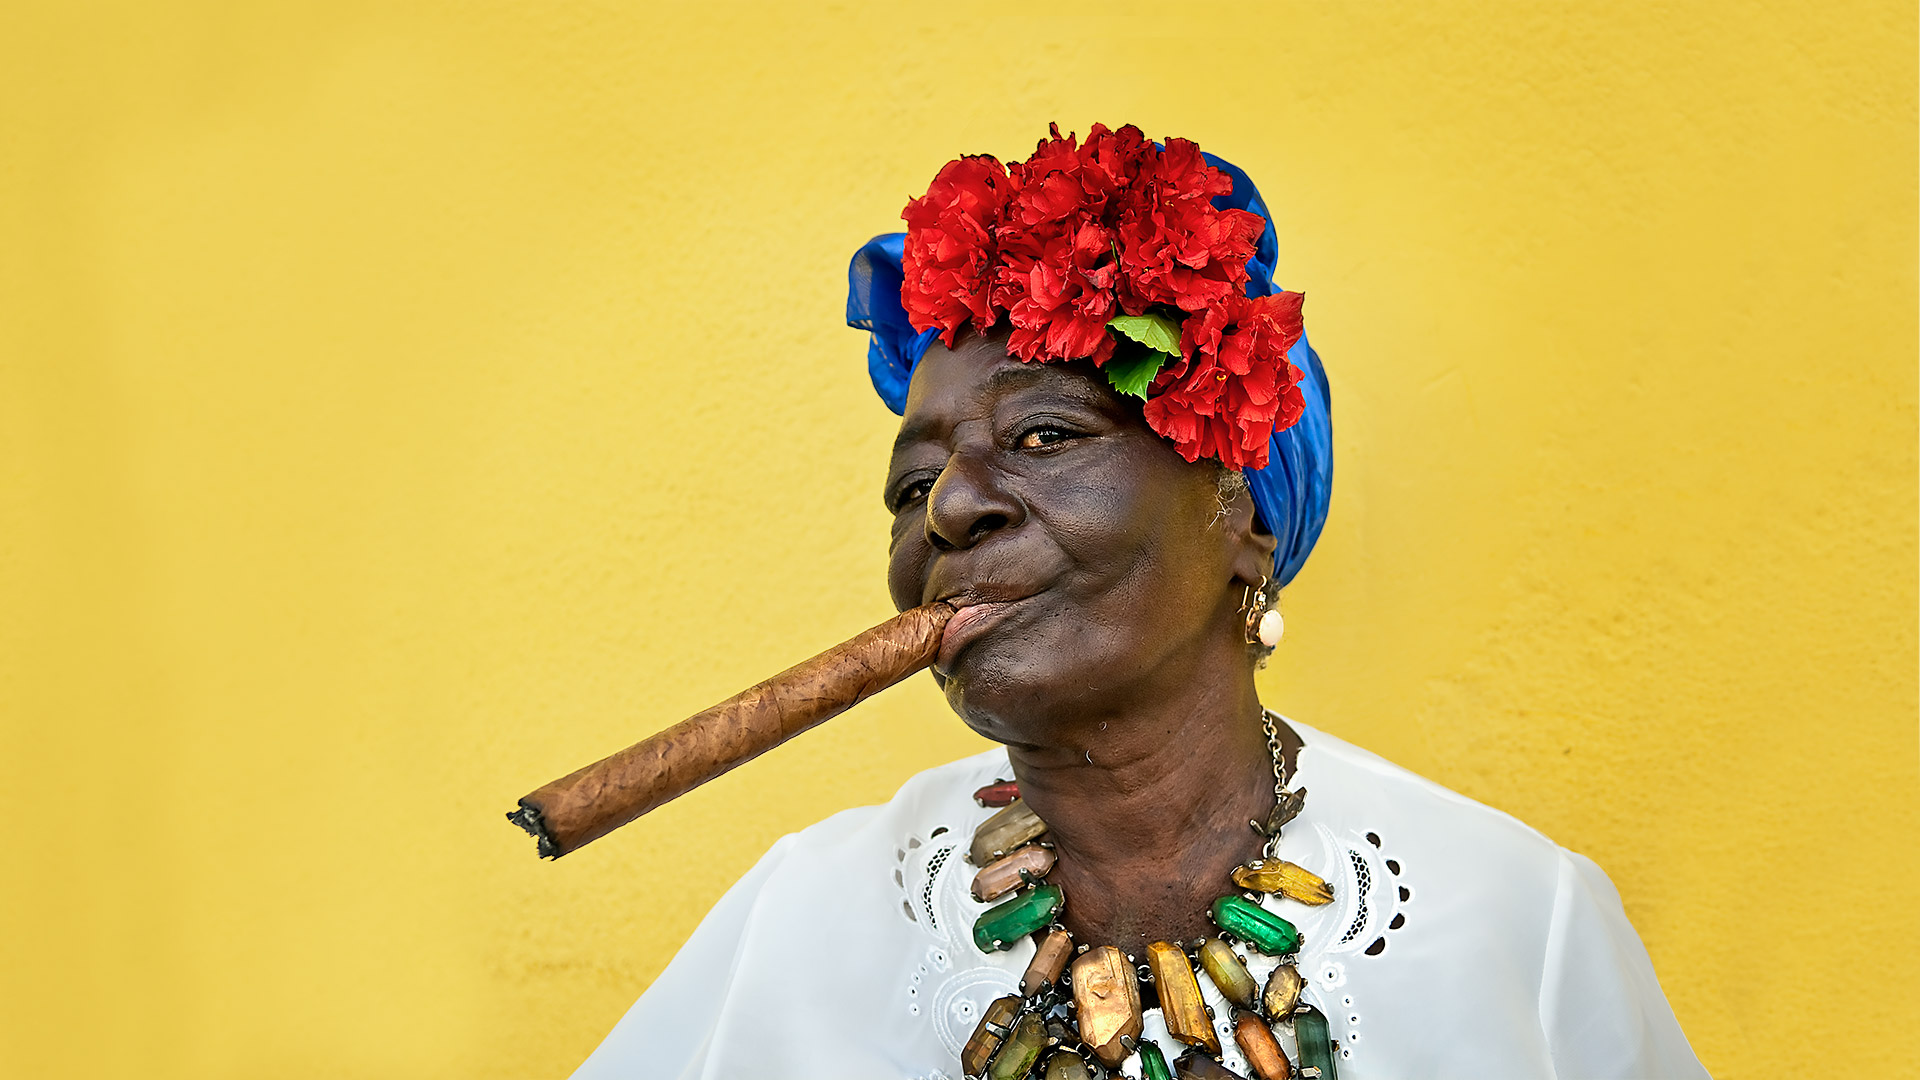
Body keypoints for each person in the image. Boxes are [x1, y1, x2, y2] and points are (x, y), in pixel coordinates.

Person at [572, 125, 1708, 1079]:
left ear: (1242, 516)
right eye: (912, 486)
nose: (952, 510)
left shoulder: (1512, 920)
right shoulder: (803, 918)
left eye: (1046, 435)